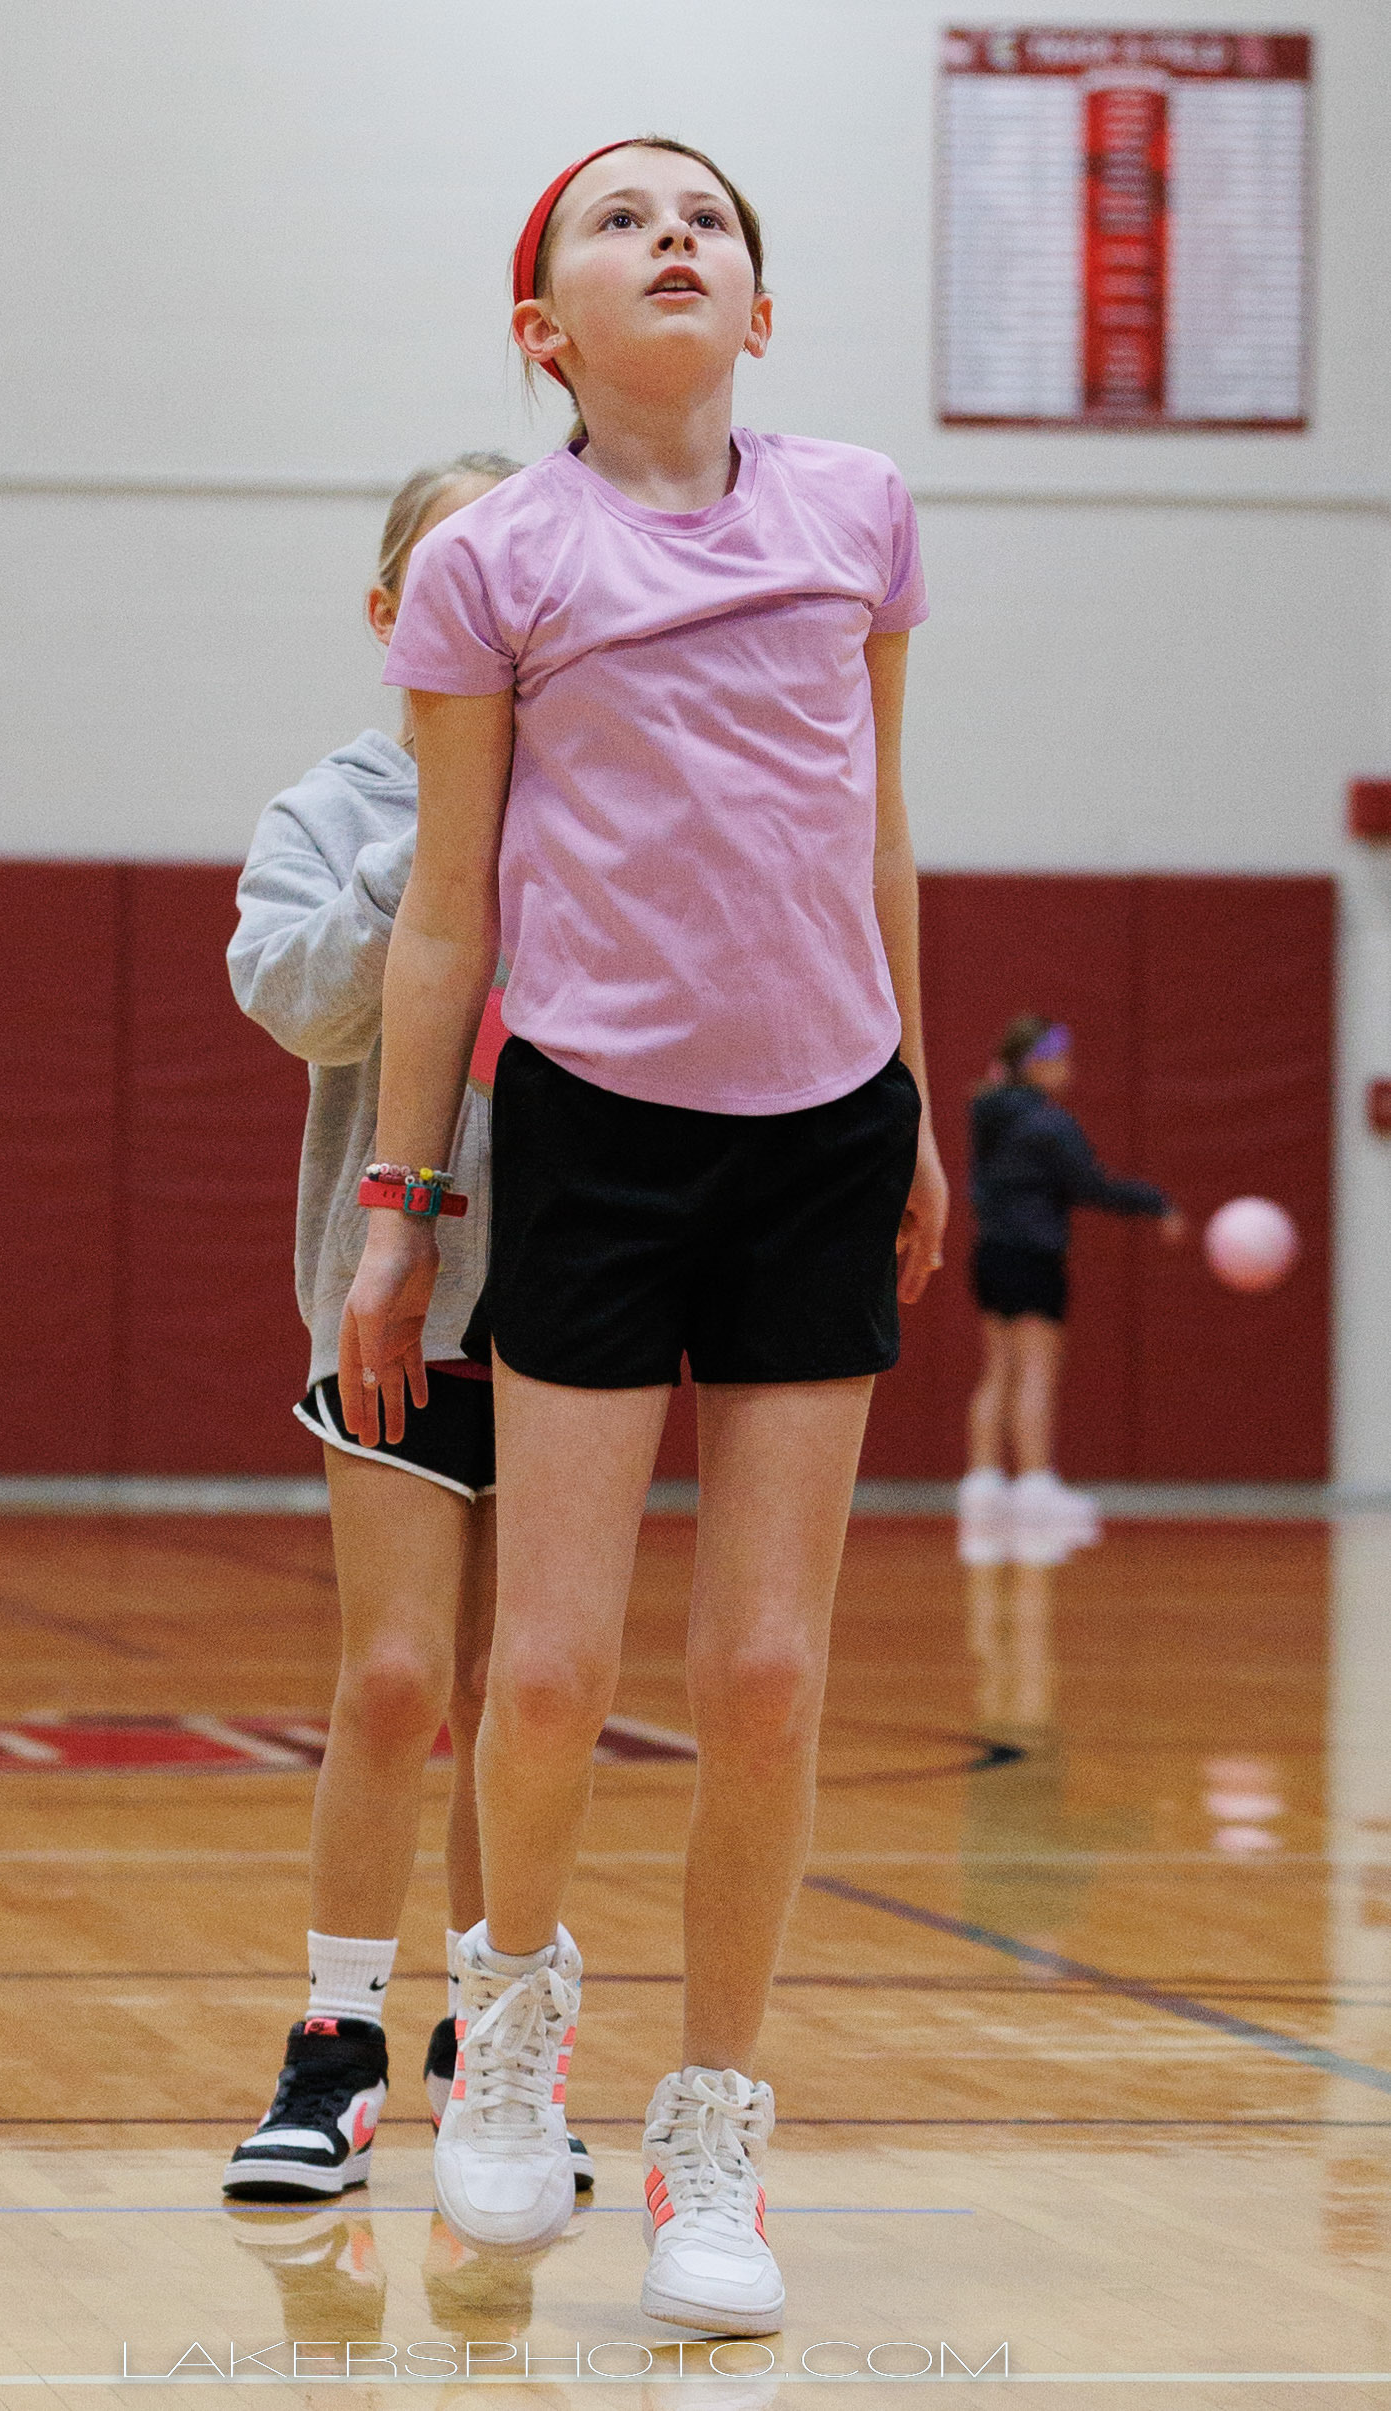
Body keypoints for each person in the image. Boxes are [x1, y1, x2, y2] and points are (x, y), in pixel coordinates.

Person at [338, 138, 948, 2333]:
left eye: (710, 220)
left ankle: (718, 2130)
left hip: (824, 1126)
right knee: (551, 1669)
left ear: (759, 311)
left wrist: (914, 1098)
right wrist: (400, 1208)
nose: (675, 235)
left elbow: (878, 825)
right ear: (546, 332)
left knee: (767, 1674)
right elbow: (444, 909)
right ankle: (511, 2017)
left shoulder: (858, 511)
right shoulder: (494, 558)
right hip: (593, 1129)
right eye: (623, 219)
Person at [221, 452, 591, 2202]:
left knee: (527, 1692)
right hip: (396, 1301)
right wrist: (435, 842)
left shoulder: (609, 800)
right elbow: (297, 1003)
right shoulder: (336, 809)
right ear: (393, 615)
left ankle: (491, 2052)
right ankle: (335, 2046)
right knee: (392, 1680)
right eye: (455, 581)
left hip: (580, 1302)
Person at [958, 1015, 1185, 1564]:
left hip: (990, 1255)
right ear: (1036, 1064)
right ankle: (1035, 1488)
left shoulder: (987, 1112)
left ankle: (982, 1491)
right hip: (1034, 1257)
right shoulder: (1049, 1124)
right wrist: (1156, 1204)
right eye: (1060, 1058)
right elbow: (1091, 1186)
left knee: (998, 1369)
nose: (1070, 1068)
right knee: (1036, 1370)